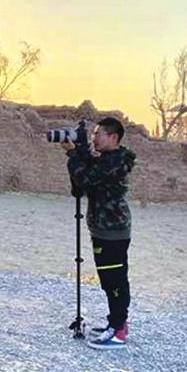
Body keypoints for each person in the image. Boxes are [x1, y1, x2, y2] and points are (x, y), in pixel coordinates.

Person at [63, 116, 136, 350]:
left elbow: (86, 180)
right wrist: (79, 152)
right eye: (93, 134)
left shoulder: (114, 162)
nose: (94, 138)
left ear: (113, 137)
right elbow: (83, 180)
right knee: (110, 279)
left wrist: (73, 155)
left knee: (114, 280)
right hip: (105, 228)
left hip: (112, 230)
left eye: (98, 134)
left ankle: (118, 331)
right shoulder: (107, 159)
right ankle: (117, 323)